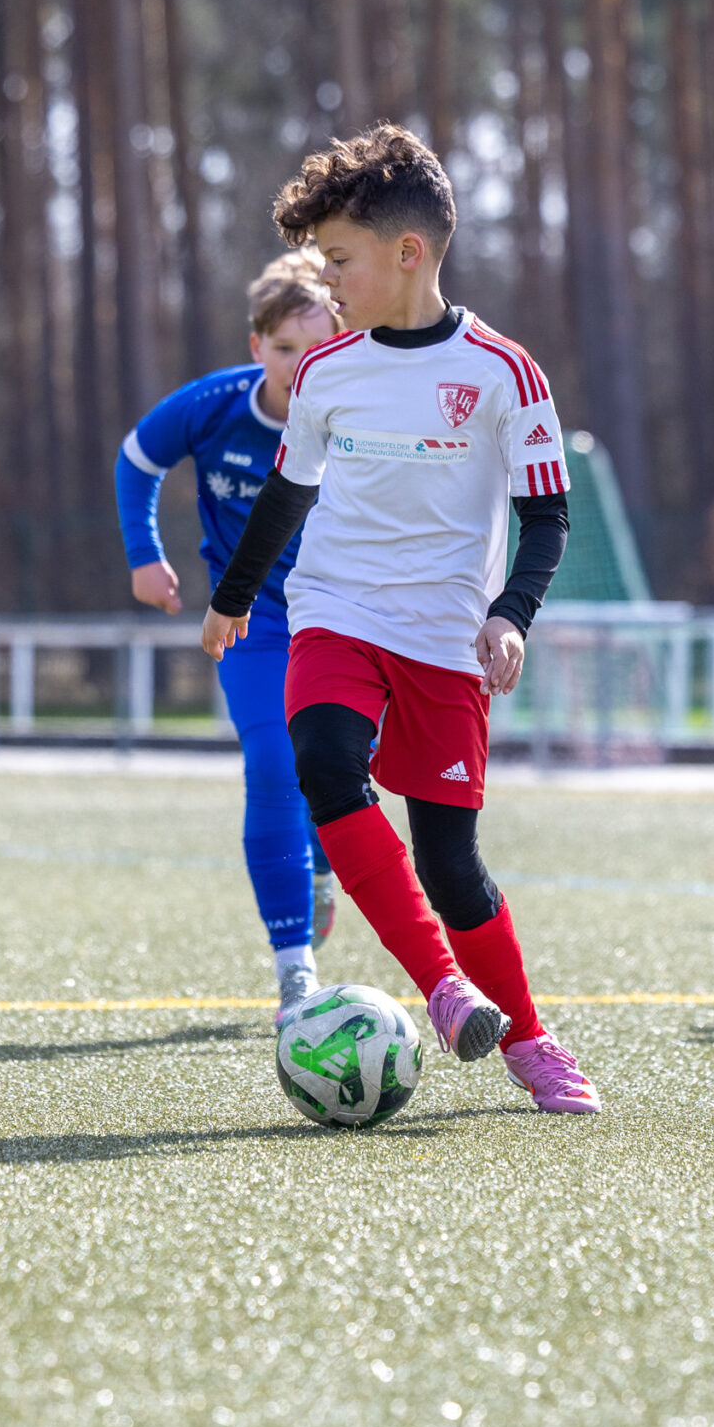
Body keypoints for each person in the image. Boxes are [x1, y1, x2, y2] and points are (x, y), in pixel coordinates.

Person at [200, 123, 600, 1114]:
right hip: (335, 609)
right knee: (324, 761)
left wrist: (511, 614)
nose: (326, 280)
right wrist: (234, 598)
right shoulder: (326, 371)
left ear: (409, 252)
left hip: (445, 636)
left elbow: (546, 516)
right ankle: (442, 989)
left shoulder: (506, 372)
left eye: (340, 259)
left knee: (452, 868)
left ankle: (529, 1039)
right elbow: (288, 494)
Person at [116, 251, 341, 1022]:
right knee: (274, 762)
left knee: (338, 770)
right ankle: (295, 969)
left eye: (317, 348)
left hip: (347, 615)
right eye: (284, 347)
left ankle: (320, 868)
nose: (300, 363)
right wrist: (144, 555)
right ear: (256, 346)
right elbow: (136, 460)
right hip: (252, 619)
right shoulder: (213, 406)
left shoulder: (362, 414)